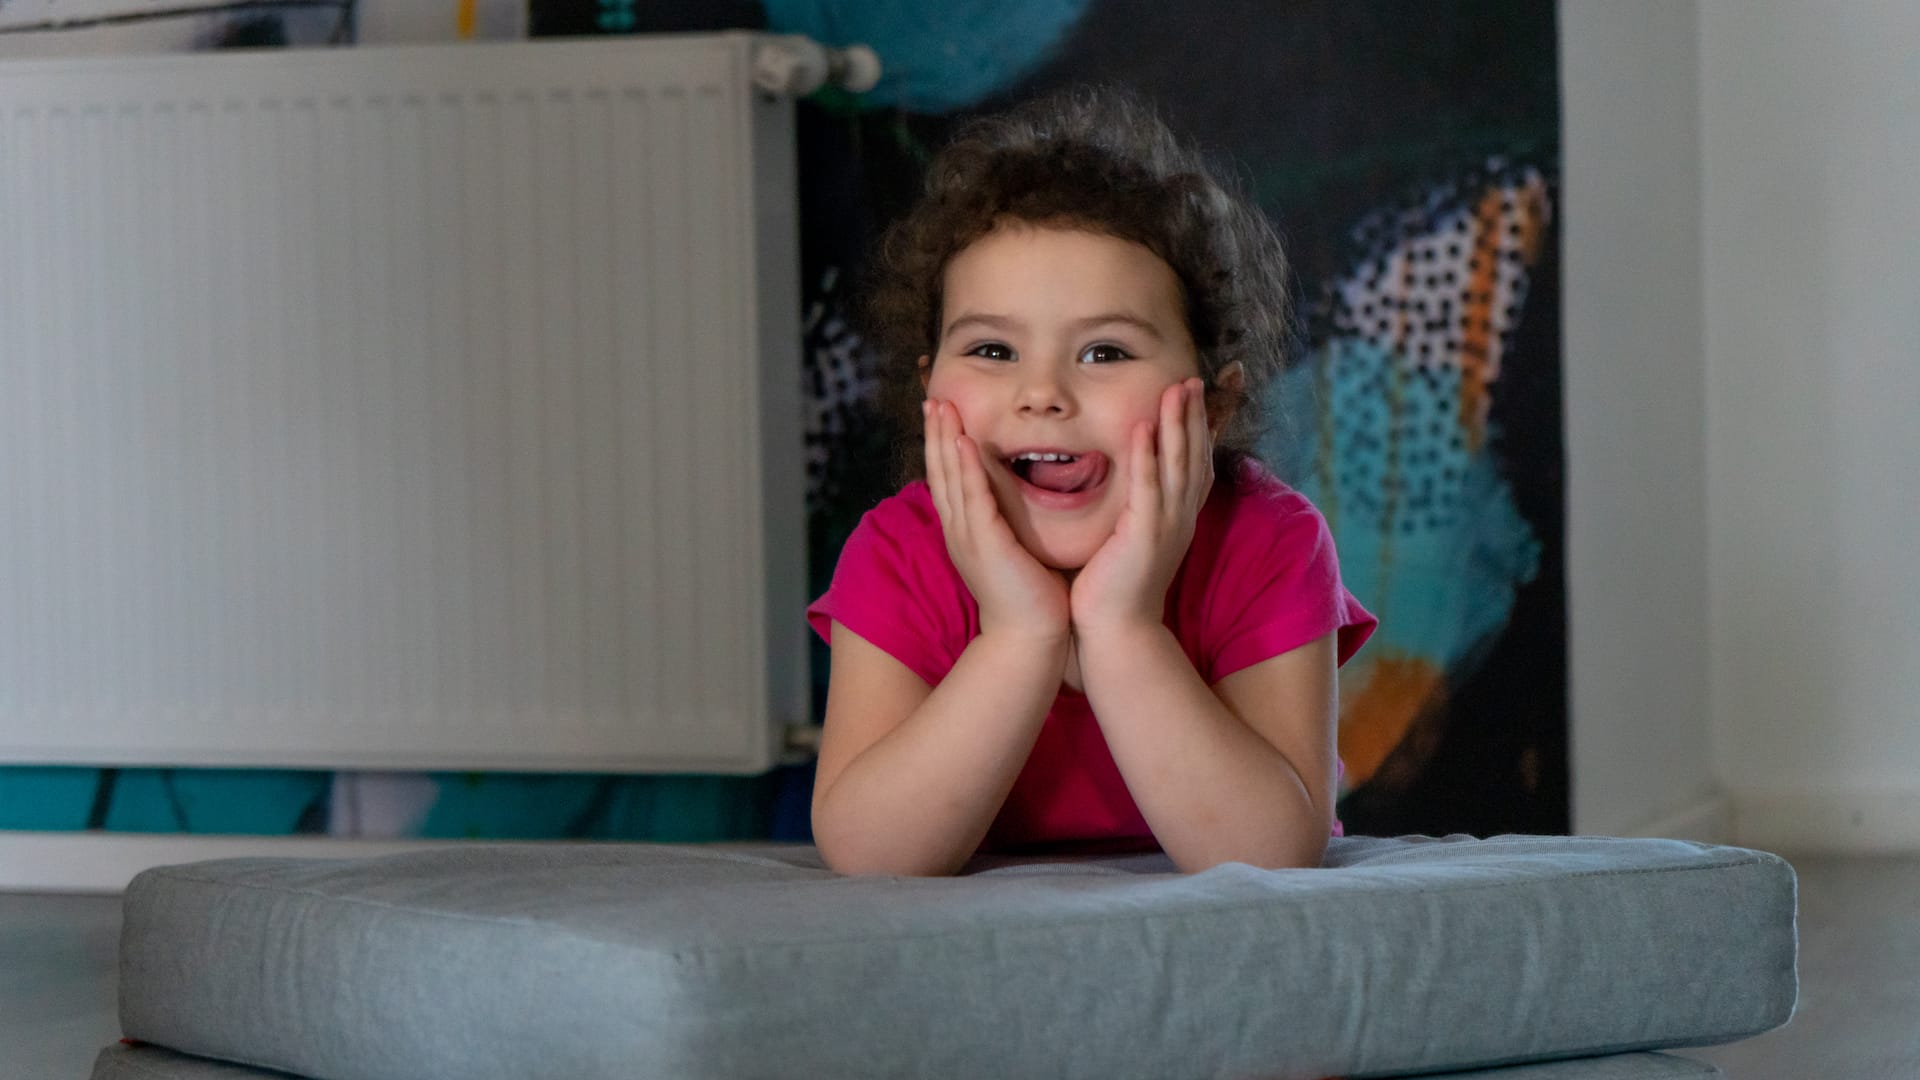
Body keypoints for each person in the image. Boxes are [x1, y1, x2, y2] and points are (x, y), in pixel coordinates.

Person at [806, 85, 1376, 876]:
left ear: (1213, 406)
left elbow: (1268, 855)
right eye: (993, 351)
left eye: (1104, 352)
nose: (1042, 393)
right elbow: (871, 855)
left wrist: (1122, 625)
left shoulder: (1272, 543)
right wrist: (1019, 634)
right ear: (931, 390)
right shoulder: (897, 552)